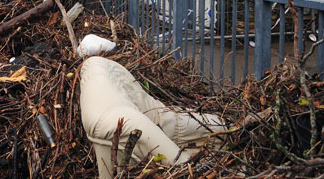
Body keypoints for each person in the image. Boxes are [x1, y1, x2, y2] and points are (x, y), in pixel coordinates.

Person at [80, 57, 226, 178]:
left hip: (161, 120)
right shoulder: (126, 121)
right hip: (156, 123)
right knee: (220, 130)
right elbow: (179, 166)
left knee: (220, 128)